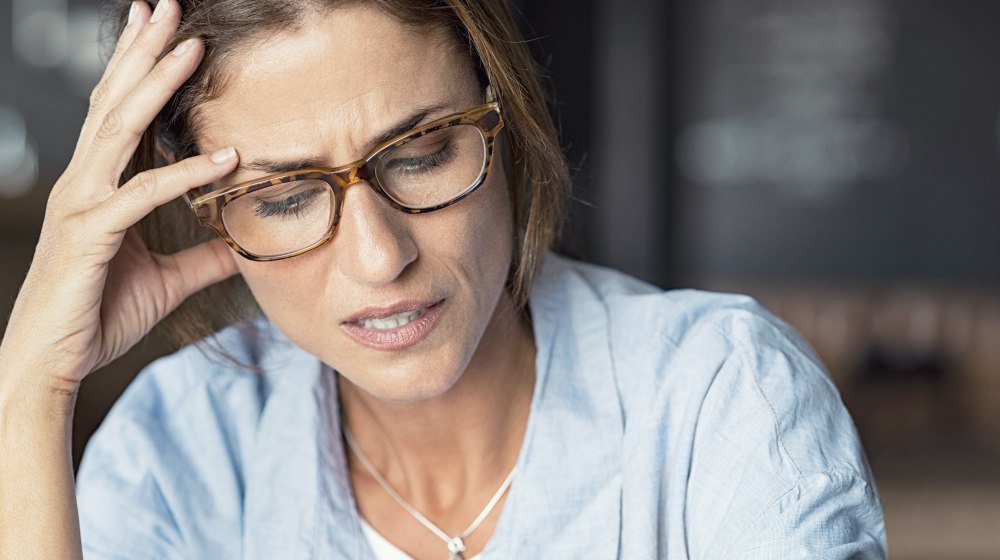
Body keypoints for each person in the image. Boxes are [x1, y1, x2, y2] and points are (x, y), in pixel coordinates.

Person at [0, 0, 887, 558]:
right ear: (210, 214)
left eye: (421, 153)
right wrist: (31, 391)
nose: (381, 257)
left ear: (505, 121)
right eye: (284, 197)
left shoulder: (721, 398)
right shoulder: (176, 454)